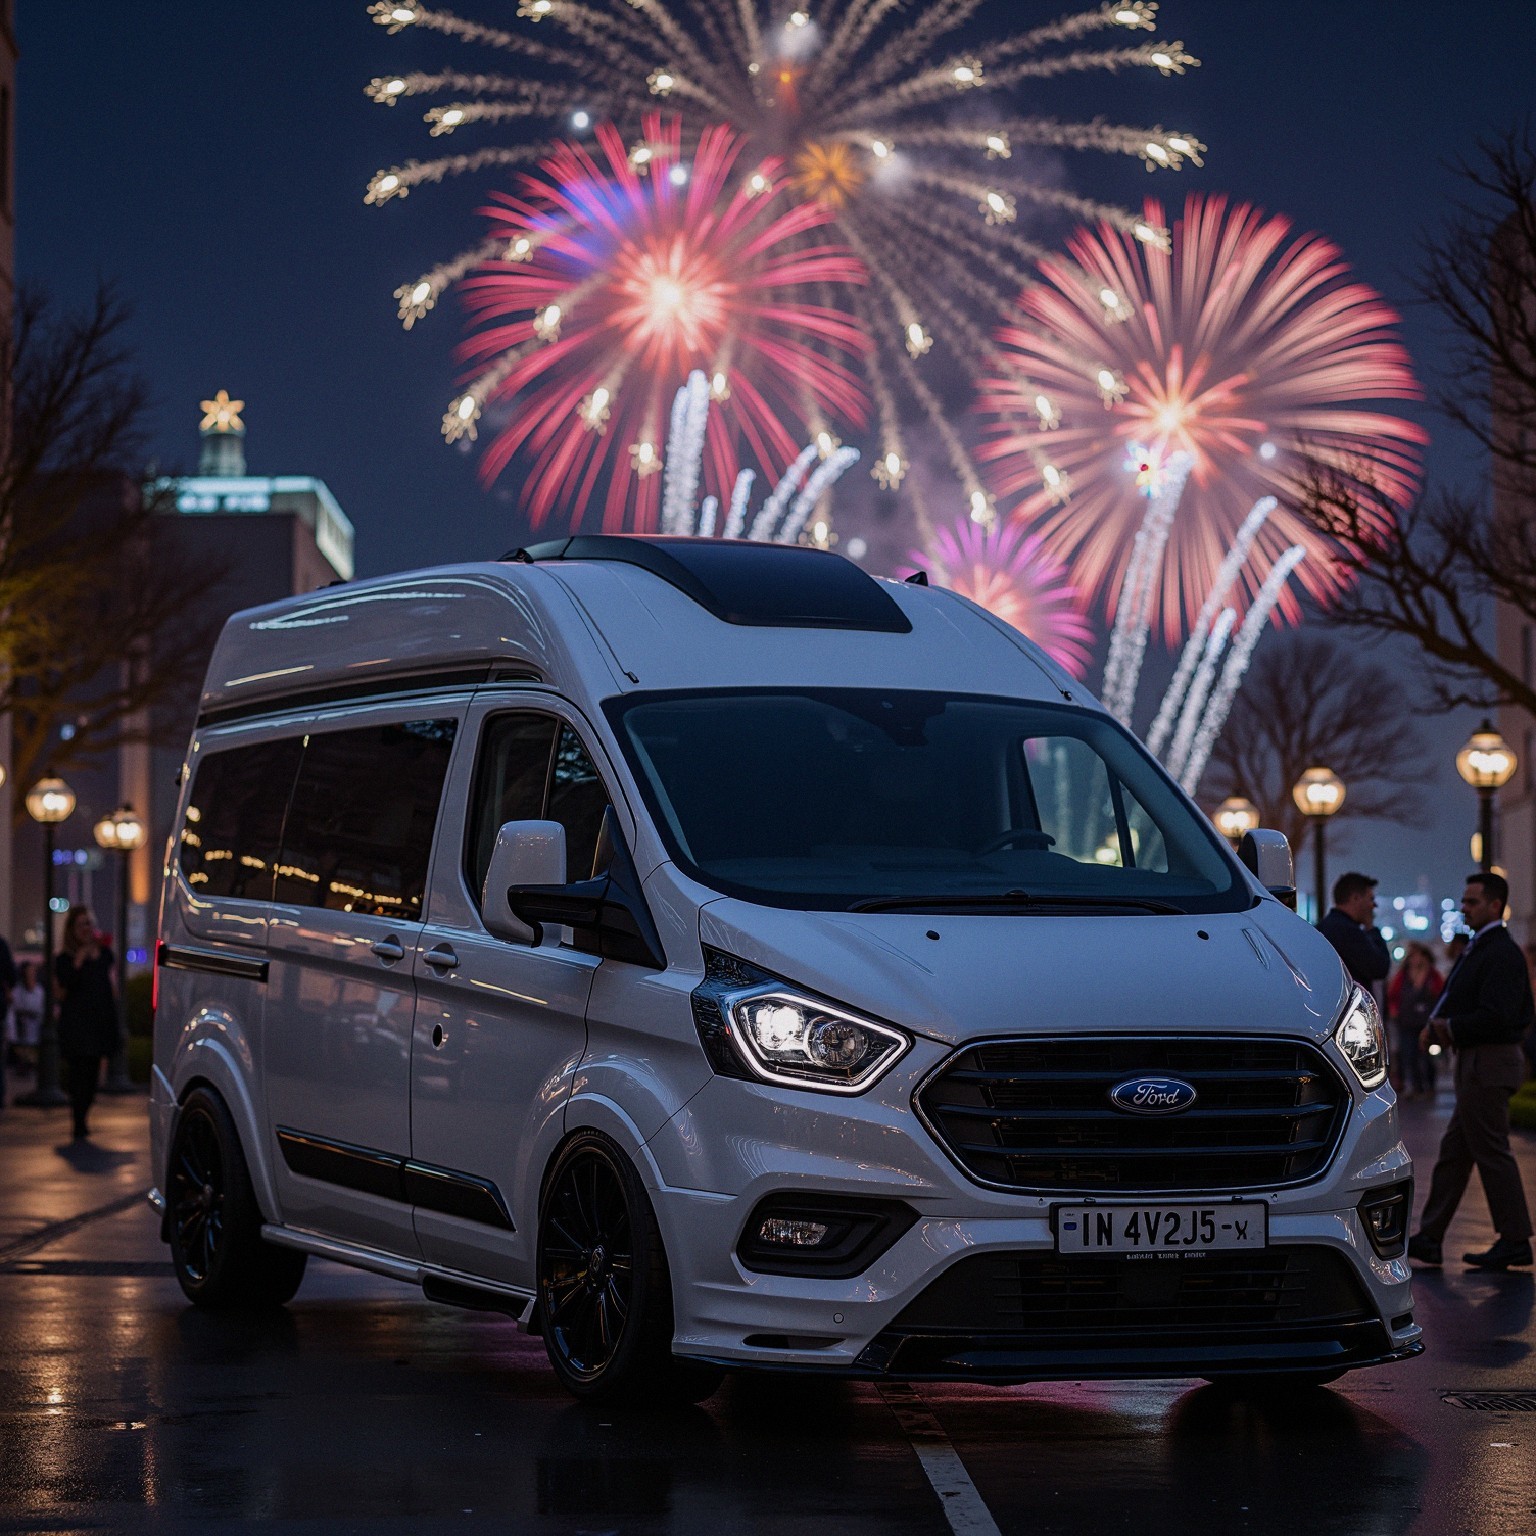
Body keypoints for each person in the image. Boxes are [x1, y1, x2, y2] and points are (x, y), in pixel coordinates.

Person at [1407, 872, 1534, 1271]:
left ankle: (1514, 1239)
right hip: (1478, 1063)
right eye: (1463, 901)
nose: (1464, 907)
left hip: (1488, 1063)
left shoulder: (1500, 952)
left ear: (1495, 905)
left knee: (1491, 1151)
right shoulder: (1485, 947)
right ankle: (1430, 1236)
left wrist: (1449, 1028)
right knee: (1455, 1153)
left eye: (1472, 902)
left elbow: (1499, 1016)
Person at [53, 906, 119, 1141]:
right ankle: (78, 1121)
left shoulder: (103, 955)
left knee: (91, 1077)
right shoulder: (65, 959)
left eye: (88, 924)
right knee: (78, 1075)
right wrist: (78, 961)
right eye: (81, 924)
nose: (86, 929)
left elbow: (109, 987)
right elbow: (64, 985)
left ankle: (84, 1113)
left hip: (97, 1025)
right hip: (76, 1026)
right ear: (72, 929)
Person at [1318, 872, 1391, 994]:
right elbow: (1379, 967)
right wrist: (1370, 927)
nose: (1374, 905)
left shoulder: (1324, 927)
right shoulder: (1347, 932)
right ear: (1355, 898)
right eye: (1370, 899)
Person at [1387, 942, 1444, 1099]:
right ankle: (1416, 1087)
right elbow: (1393, 994)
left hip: (1427, 1022)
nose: (1415, 959)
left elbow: (1441, 994)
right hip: (1407, 1022)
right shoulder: (1402, 975)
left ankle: (1429, 1087)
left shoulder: (1433, 975)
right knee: (1409, 1056)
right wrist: (1394, 1011)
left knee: (1428, 1057)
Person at [6, 960, 44, 1071]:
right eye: (28, 972)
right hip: (20, 1035)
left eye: (33, 972)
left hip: (36, 1034)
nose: (31, 975)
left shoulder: (40, 992)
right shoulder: (17, 991)